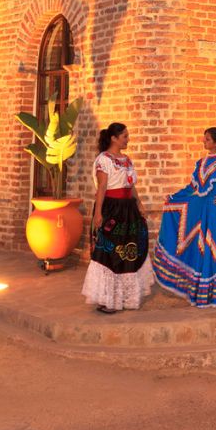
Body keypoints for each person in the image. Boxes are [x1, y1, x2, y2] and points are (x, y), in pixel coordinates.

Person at [153, 127, 216, 308]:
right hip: (202, 212)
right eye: (203, 139)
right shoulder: (201, 163)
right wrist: (173, 198)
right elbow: (192, 187)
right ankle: (206, 292)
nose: (203, 142)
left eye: (206, 139)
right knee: (203, 249)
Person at [81, 122, 153, 314]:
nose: (127, 140)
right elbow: (102, 187)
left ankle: (124, 296)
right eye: (125, 136)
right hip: (111, 209)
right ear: (114, 138)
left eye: (128, 136)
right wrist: (98, 213)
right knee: (108, 252)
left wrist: (140, 204)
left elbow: (131, 186)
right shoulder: (104, 159)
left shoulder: (127, 160)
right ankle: (107, 299)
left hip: (128, 210)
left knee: (128, 250)